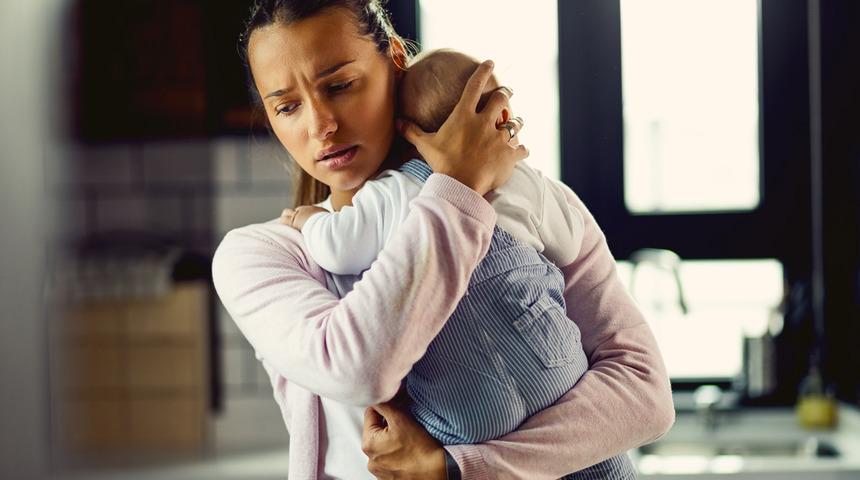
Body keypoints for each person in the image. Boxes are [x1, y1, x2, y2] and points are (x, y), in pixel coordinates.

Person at [212, 1, 675, 479]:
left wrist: (457, 468)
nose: (320, 125)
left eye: (340, 85)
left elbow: (645, 395)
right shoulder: (264, 255)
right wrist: (454, 186)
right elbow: (359, 369)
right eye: (287, 106)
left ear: (394, 59)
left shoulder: (528, 200)